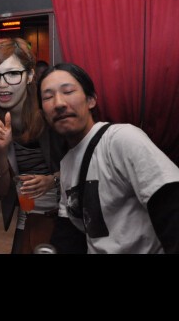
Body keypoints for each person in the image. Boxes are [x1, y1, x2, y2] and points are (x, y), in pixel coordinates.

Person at [38, 62, 179, 254]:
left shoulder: (120, 139)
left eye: (68, 91)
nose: (59, 103)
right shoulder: (67, 163)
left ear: (91, 100)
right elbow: (69, 233)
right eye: (48, 97)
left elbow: (171, 205)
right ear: (43, 114)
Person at [0, 37, 66, 254]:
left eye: (12, 73)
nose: (2, 84)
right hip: (26, 211)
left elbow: (87, 163)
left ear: (29, 75)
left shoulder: (50, 109)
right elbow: (1, 189)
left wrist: (53, 180)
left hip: (65, 208)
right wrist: (0, 152)